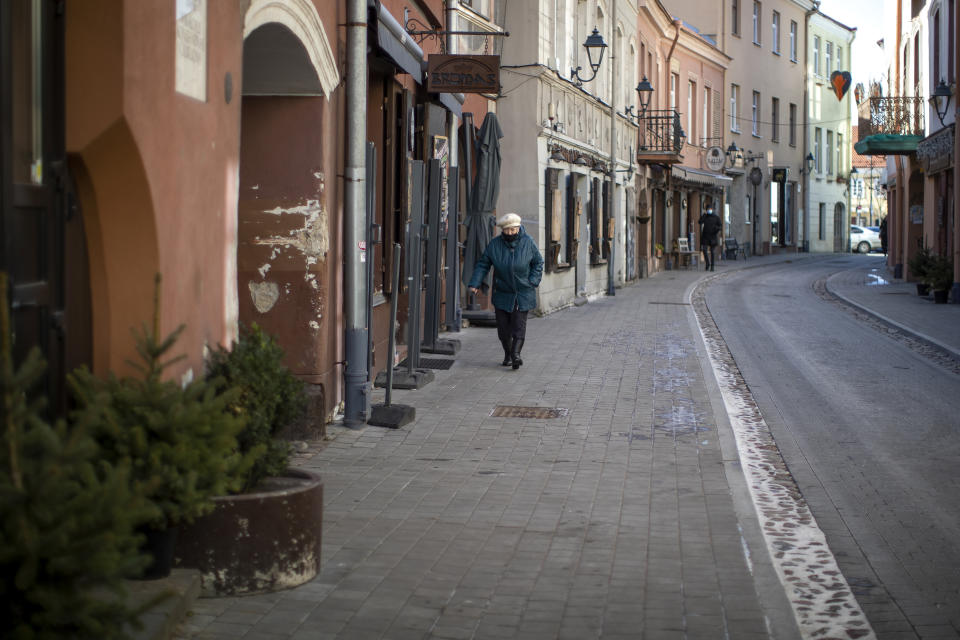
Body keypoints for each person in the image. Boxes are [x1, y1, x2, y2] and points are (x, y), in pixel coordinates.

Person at [468, 213, 544, 370]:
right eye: (507, 230)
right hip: (502, 292)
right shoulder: (495, 245)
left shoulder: (528, 242)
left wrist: (533, 281)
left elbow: (538, 262)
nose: (510, 233)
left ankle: (516, 355)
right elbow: (483, 264)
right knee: (503, 330)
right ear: (502, 230)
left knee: (518, 326)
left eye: (513, 229)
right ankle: (508, 354)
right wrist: (475, 283)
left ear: (518, 227)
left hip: (522, 292)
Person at [699, 206, 722, 271]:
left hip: (713, 236)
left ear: (712, 209)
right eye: (708, 209)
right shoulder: (705, 216)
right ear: (706, 210)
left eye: (710, 209)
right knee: (704, 250)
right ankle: (707, 263)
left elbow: (720, 226)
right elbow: (700, 222)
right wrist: (704, 215)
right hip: (705, 236)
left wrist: (716, 229)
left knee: (712, 252)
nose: (709, 210)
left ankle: (712, 266)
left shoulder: (716, 217)